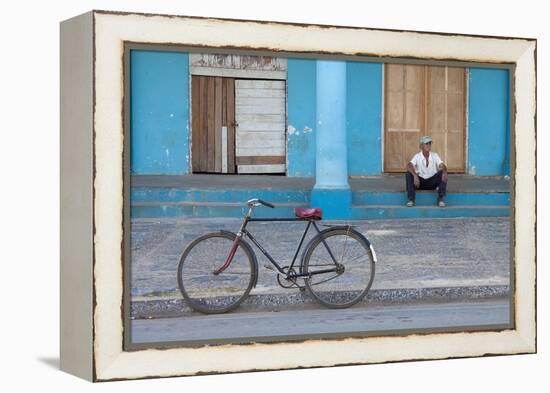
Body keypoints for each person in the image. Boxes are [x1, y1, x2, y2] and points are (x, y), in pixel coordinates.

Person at [405, 135, 448, 207]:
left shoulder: (435, 155)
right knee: (408, 174)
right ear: (421, 146)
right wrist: (415, 175)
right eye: (426, 144)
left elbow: (442, 165)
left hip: (432, 183)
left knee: (442, 172)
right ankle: (411, 200)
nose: (428, 145)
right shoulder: (417, 156)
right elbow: (409, 165)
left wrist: (444, 171)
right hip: (420, 183)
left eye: (429, 143)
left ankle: (440, 199)